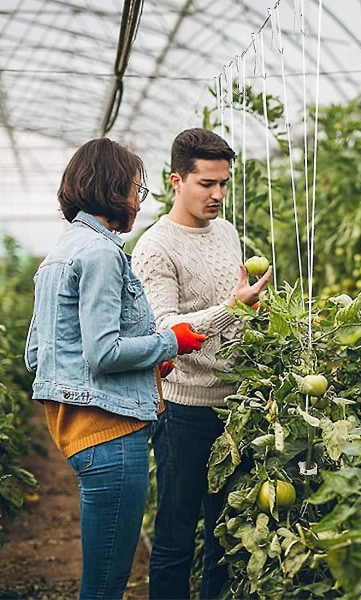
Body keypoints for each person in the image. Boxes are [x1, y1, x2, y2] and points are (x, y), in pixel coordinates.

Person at [24, 138, 206, 600]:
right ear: (112, 189)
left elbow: (39, 355)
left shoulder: (61, 252)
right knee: (106, 582)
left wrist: (148, 363)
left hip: (79, 431)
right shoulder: (102, 254)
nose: (139, 202)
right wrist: (173, 340)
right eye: (136, 189)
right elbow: (102, 353)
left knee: (103, 576)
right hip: (111, 434)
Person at [131, 128, 272, 600]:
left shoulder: (228, 233)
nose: (217, 195)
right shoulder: (155, 247)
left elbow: (231, 310)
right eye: (206, 183)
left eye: (223, 183)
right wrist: (233, 308)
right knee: (174, 536)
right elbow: (164, 331)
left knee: (224, 534)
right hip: (183, 410)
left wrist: (259, 317)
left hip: (237, 407)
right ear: (176, 180)